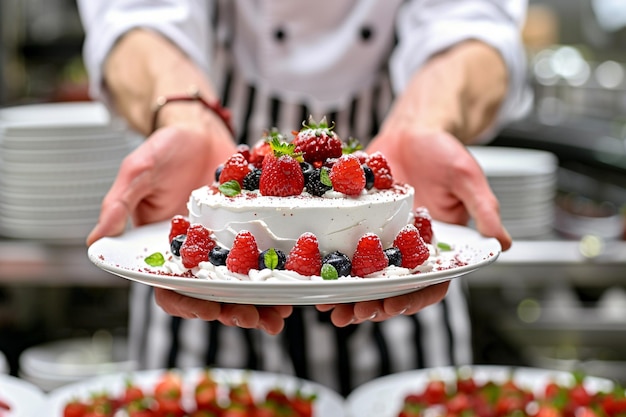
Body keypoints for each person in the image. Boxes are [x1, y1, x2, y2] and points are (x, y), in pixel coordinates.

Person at [77, 0, 528, 395]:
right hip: (210, 230)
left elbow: (472, 19)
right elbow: (137, 13)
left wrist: (428, 117)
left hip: (394, 253)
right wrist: (184, 114)